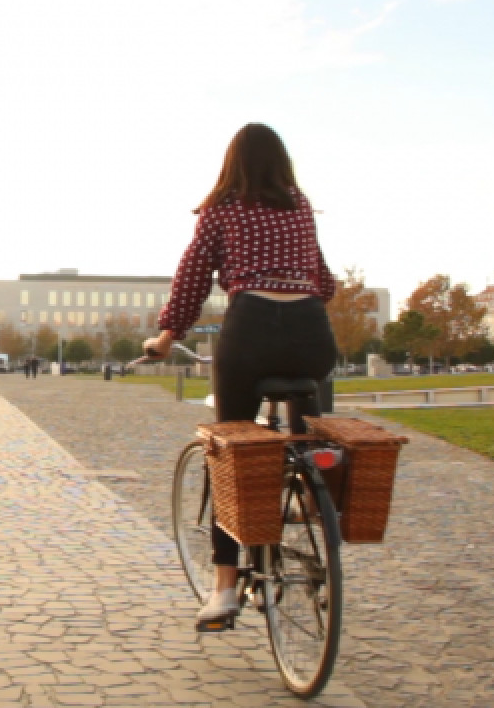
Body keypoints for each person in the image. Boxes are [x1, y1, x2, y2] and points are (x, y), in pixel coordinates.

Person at [143, 122, 337, 628]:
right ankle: (314, 501)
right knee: (312, 427)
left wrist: (166, 337)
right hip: (311, 329)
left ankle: (224, 590)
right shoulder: (299, 207)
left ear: (232, 163)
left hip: (251, 328)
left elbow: (191, 277)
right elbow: (326, 281)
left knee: (229, 450)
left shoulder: (223, 209)